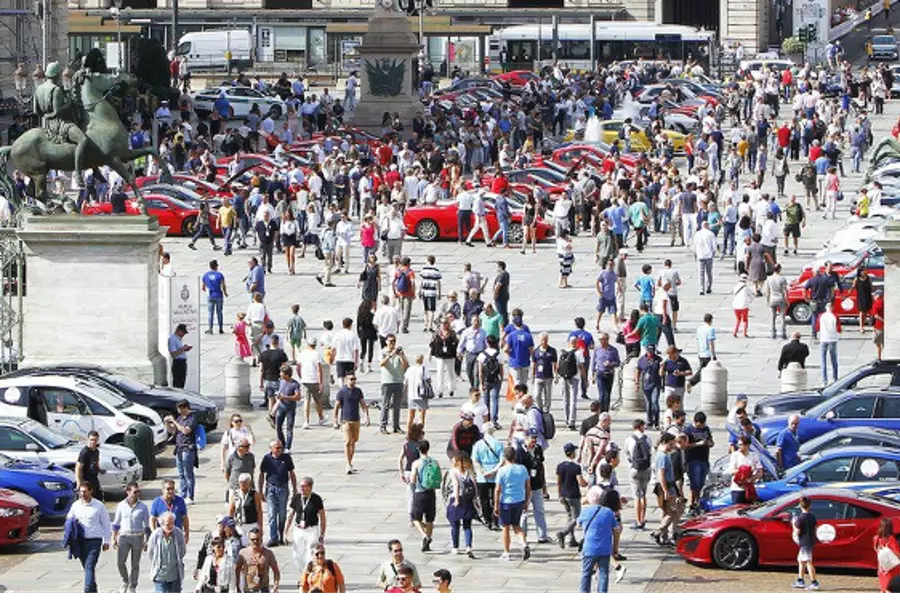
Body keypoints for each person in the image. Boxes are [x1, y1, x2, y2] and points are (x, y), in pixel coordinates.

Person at [66, 481, 112, 594]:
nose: (83, 494)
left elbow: (106, 524)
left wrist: (107, 541)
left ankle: (87, 592)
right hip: (80, 541)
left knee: (89, 566)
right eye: (81, 492)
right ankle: (93, 591)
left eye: (85, 491)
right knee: (87, 568)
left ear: (91, 491)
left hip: (94, 541)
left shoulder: (99, 506)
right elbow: (69, 520)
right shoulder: (75, 505)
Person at [577, 485, 619, 594]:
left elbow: (578, 524)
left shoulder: (585, 511)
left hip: (589, 549)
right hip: (605, 548)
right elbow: (616, 529)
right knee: (604, 574)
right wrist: (615, 549)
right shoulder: (608, 512)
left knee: (586, 573)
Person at [286, 476, 327, 583]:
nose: (302, 489)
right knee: (297, 555)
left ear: (310, 487)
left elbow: (322, 517)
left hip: (311, 529)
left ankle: (308, 577)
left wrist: (322, 534)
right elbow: (290, 514)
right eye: (301, 487)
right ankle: (304, 573)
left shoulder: (316, 499)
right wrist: (285, 531)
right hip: (298, 529)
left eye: (304, 487)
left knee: (310, 553)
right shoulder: (296, 498)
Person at [494, 445, 532, 561]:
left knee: (505, 527)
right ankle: (524, 543)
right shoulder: (523, 469)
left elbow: (497, 490)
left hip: (506, 501)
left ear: (505, 457)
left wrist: (495, 505)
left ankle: (506, 552)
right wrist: (526, 501)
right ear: (515, 457)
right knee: (516, 525)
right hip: (519, 500)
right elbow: (528, 487)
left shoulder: (502, 471)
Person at [112, 482, 149, 593]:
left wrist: (147, 540)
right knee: (120, 562)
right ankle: (125, 581)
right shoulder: (121, 505)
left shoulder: (143, 507)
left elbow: (147, 525)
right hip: (124, 535)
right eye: (135, 492)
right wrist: (114, 537)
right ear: (128, 492)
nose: (137, 494)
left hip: (138, 536)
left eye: (138, 492)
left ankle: (133, 586)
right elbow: (116, 523)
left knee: (135, 564)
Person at [259, 439, 297, 547]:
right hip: (271, 488)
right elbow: (262, 474)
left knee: (282, 514)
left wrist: (295, 489)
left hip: (283, 488)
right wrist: (260, 490)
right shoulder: (267, 458)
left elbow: (292, 474)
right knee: (271, 513)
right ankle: (273, 537)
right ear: (271, 448)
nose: (279, 450)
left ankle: (281, 535)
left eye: (281, 447)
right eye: (277, 447)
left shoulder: (286, 458)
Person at [333, 373, 371, 474]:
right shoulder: (342, 392)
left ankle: (350, 462)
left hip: (356, 420)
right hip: (345, 420)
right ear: (346, 380)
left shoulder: (358, 391)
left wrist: (367, 417)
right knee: (347, 442)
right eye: (351, 379)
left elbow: (363, 404)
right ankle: (348, 463)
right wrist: (335, 420)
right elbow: (336, 407)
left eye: (354, 379)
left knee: (353, 442)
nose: (353, 381)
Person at [650, 432, 682, 546]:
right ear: (664, 443)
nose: (672, 446)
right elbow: (661, 475)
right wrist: (666, 491)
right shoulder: (663, 456)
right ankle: (658, 531)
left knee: (665, 512)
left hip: (666, 486)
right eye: (671, 444)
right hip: (667, 487)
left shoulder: (662, 455)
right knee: (672, 513)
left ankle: (664, 537)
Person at [164, 399, 198, 504]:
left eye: (179, 408)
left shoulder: (192, 418)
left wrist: (174, 421)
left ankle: (190, 496)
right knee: (181, 473)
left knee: (188, 474)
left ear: (185, 408)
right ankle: (183, 495)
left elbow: (185, 431)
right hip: (179, 448)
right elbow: (173, 431)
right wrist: (167, 423)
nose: (178, 410)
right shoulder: (179, 418)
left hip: (188, 448)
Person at [472, 422, 504, 530]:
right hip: (496, 476)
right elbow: (502, 460)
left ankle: (487, 520)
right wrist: (494, 471)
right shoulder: (498, 444)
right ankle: (495, 520)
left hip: (483, 476)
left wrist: (482, 471)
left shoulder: (478, 444)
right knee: (496, 498)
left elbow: (475, 460)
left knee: (484, 499)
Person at [556, 441, 588, 548]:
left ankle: (572, 539)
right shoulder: (575, 467)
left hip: (563, 494)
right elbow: (581, 482)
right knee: (577, 517)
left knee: (569, 516)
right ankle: (563, 533)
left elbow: (558, 481)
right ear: (572, 453)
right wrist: (586, 482)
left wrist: (559, 494)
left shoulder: (560, 466)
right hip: (573, 495)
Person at [446, 451, 478, 557]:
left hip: (457, 498)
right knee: (467, 526)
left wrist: (456, 500)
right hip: (468, 499)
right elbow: (474, 484)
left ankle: (456, 547)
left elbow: (456, 485)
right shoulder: (469, 470)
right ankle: (468, 546)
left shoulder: (453, 471)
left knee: (455, 525)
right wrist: (476, 499)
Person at [147, 511, 187, 593]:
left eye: (172, 523)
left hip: (175, 575)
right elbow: (150, 553)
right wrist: (157, 563)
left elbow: (182, 551)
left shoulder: (179, 533)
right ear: (161, 524)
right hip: (160, 575)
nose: (171, 526)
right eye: (168, 524)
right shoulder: (156, 535)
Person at [624, 419, 652, 529]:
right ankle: (643, 518)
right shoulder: (648, 439)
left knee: (636, 496)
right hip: (646, 469)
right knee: (643, 495)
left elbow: (627, 454)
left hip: (634, 469)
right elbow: (649, 453)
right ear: (641, 427)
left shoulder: (629, 440)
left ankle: (638, 520)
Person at [683, 411, 714, 510]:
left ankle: (697, 501)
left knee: (701, 483)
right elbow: (685, 446)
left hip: (704, 459)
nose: (702, 426)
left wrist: (710, 443)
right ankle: (693, 504)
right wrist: (698, 444)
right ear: (696, 422)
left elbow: (711, 441)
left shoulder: (706, 429)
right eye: (700, 424)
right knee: (694, 483)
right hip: (693, 460)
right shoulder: (688, 431)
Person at [234, 527, 281, 593]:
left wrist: (275, 585)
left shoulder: (268, 553)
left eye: (257, 539)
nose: (255, 541)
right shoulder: (243, 553)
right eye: (253, 539)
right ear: (249, 540)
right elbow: (237, 569)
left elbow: (276, 571)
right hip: (248, 590)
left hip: (263, 590)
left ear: (261, 539)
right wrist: (237, 586)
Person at [379, 334, 409, 434]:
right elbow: (381, 363)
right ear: (386, 342)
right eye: (390, 341)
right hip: (387, 381)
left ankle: (396, 426)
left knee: (397, 406)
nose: (392, 343)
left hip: (398, 381)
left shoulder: (399, 353)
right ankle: (383, 425)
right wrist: (390, 355)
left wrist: (402, 356)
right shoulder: (383, 352)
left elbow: (406, 366)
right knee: (385, 405)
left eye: (394, 341)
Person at [793, 496, 820, 591]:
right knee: (800, 560)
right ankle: (800, 580)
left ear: (800, 506)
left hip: (804, 542)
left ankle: (814, 583)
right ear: (810, 506)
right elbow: (815, 528)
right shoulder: (812, 517)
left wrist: (793, 524)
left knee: (808, 562)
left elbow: (797, 532)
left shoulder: (800, 518)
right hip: (809, 541)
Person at [728, 435, 762, 504]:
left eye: (741, 445)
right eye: (738, 444)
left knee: (749, 509)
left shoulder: (754, 456)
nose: (739, 446)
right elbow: (731, 471)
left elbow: (760, 472)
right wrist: (744, 470)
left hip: (749, 488)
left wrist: (752, 478)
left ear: (747, 445)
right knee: (736, 509)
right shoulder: (735, 455)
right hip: (737, 488)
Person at [273, 365, 300, 452]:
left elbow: (297, 397)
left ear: (287, 374)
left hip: (290, 408)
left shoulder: (294, 384)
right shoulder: (281, 381)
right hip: (281, 407)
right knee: (278, 427)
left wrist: (284, 397)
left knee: (289, 428)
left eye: (282, 373)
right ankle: (282, 444)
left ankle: (288, 447)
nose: (280, 374)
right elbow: (280, 391)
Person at [591, 333, 620, 413]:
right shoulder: (597, 349)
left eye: (603, 339)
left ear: (607, 340)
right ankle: (600, 411)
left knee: (607, 395)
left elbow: (618, 362)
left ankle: (605, 411)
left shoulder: (613, 350)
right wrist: (593, 375)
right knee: (602, 394)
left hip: (609, 373)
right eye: (600, 340)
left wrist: (611, 364)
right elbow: (593, 362)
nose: (602, 341)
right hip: (600, 373)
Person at [687, 314, 716, 391]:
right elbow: (711, 342)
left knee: (703, 370)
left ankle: (706, 386)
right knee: (703, 371)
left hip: (701, 352)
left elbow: (698, 340)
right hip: (707, 353)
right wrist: (713, 354)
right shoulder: (711, 329)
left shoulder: (699, 329)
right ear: (711, 320)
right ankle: (691, 382)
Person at [202, 259, 228, 334]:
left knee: (210, 313)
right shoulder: (220, 275)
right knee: (219, 312)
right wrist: (225, 292)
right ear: (216, 266)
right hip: (218, 295)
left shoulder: (205, 275)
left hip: (210, 295)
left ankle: (210, 328)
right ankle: (220, 328)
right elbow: (223, 285)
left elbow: (203, 287)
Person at [75, 430, 103, 500]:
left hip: (94, 480)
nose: (93, 442)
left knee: (98, 499)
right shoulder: (85, 452)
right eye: (91, 440)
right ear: (88, 439)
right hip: (86, 480)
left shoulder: (96, 451)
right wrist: (79, 483)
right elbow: (78, 468)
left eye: (95, 440)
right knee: (86, 500)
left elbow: (96, 463)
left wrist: (100, 470)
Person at [818, 303, 841, 385]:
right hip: (832, 338)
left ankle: (824, 380)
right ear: (832, 308)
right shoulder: (835, 316)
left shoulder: (821, 316)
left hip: (823, 338)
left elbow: (817, 327)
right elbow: (839, 329)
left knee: (823, 360)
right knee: (834, 359)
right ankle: (835, 377)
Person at [875, 518, 900, 593]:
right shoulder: (891, 539)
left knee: (883, 589)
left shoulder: (876, 539)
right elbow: (897, 554)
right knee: (890, 590)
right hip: (892, 570)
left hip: (882, 569)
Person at [168, 323, 192, 388]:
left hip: (182, 363)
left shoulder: (178, 339)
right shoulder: (172, 339)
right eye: (183, 333)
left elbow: (179, 351)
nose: (183, 335)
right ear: (179, 331)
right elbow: (173, 354)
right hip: (178, 363)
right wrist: (183, 348)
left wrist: (185, 349)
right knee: (178, 384)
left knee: (181, 383)